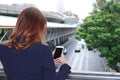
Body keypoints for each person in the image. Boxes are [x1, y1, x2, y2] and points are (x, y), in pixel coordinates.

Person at [0, 7, 71, 80]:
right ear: (39, 28)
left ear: (19, 24)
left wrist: (47, 63)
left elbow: (23, 65)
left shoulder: (3, 48)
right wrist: (65, 65)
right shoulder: (43, 50)